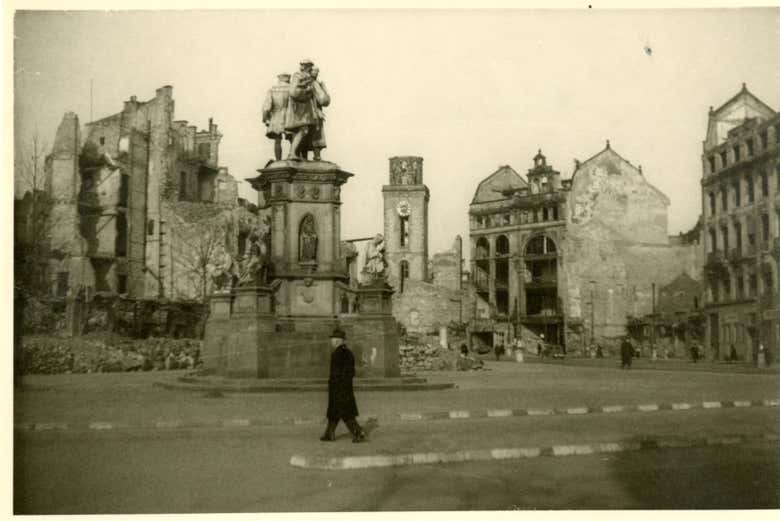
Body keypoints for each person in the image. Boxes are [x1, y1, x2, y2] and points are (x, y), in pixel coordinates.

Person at [321, 327, 367, 443]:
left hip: (339, 389)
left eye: (333, 339)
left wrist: (337, 387)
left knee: (346, 414)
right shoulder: (347, 352)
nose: (331, 341)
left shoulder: (338, 354)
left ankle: (358, 433)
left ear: (338, 340)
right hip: (344, 388)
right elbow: (351, 372)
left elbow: (338, 374)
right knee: (334, 412)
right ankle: (329, 434)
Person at [285, 59, 318, 160]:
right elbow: (294, 92)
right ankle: (292, 153)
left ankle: (295, 153)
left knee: (303, 131)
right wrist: (307, 91)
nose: (310, 68)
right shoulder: (299, 76)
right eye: (309, 66)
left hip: (302, 108)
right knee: (303, 130)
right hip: (300, 109)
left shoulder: (302, 77)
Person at [261, 73, 291, 161]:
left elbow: (267, 106)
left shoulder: (272, 89)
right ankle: (294, 157)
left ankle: (278, 160)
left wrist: (265, 118)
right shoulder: (292, 88)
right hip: (289, 115)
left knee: (277, 139)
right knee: (293, 138)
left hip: (276, 115)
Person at [308, 66, 330, 161]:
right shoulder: (315, 83)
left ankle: (302, 156)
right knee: (316, 134)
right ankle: (317, 156)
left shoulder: (300, 82)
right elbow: (323, 101)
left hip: (302, 113)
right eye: (316, 72)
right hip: (315, 112)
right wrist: (324, 89)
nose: (317, 73)